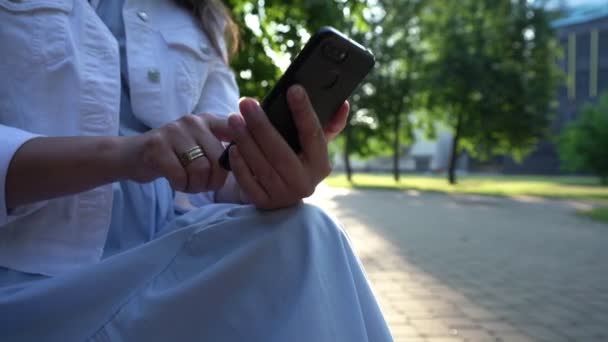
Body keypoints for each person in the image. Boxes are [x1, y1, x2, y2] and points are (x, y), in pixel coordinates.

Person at [0, 0, 392, 341]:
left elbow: (219, 173)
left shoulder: (201, 16)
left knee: (300, 227)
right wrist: (128, 155)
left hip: (165, 275)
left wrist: (264, 177)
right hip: (31, 292)